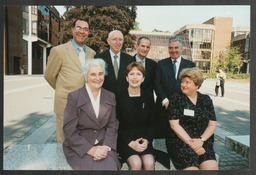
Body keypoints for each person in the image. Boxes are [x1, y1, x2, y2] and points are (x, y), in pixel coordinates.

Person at [62, 59, 120, 170]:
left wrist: (106, 147)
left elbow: (113, 125)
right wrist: (90, 149)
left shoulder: (110, 96)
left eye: (100, 74)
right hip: (80, 146)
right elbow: (69, 130)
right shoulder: (74, 97)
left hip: (103, 144)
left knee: (111, 166)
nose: (97, 78)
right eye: (93, 74)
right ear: (85, 77)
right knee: (90, 168)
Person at [44, 19, 96, 143]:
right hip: (65, 105)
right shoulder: (59, 51)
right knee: (65, 143)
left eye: (85, 29)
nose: (82, 31)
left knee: (83, 142)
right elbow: (49, 76)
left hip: (85, 107)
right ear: (72, 30)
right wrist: (64, 89)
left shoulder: (91, 53)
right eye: (79, 28)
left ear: (88, 33)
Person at [166, 67, 218, 170]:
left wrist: (201, 140)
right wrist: (192, 144)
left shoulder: (206, 100)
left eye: (187, 82)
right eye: (182, 82)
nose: (183, 85)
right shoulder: (175, 99)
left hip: (203, 142)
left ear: (197, 85)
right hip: (181, 143)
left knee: (211, 167)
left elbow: (212, 124)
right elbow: (174, 125)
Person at [116, 62, 155, 170]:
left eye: (138, 74)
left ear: (143, 78)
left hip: (144, 140)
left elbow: (152, 124)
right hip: (125, 141)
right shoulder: (119, 96)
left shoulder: (149, 97)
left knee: (149, 162)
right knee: (136, 163)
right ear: (126, 78)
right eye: (131, 74)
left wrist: (147, 140)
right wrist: (130, 142)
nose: (135, 77)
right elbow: (115, 124)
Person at [154, 36, 195, 139]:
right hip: (164, 108)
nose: (173, 50)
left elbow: (193, 86)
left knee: (181, 137)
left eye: (176, 47)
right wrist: (164, 100)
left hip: (183, 108)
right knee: (163, 139)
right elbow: (157, 84)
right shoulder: (161, 64)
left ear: (182, 49)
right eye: (171, 48)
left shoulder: (190, 65)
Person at [95, 30, 135, 98]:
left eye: (120, 40)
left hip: (124, 101)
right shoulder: (99, 58)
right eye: (114, 39)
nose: (118, 43)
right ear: (108, 41)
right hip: (104, 100)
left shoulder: (130, 60)